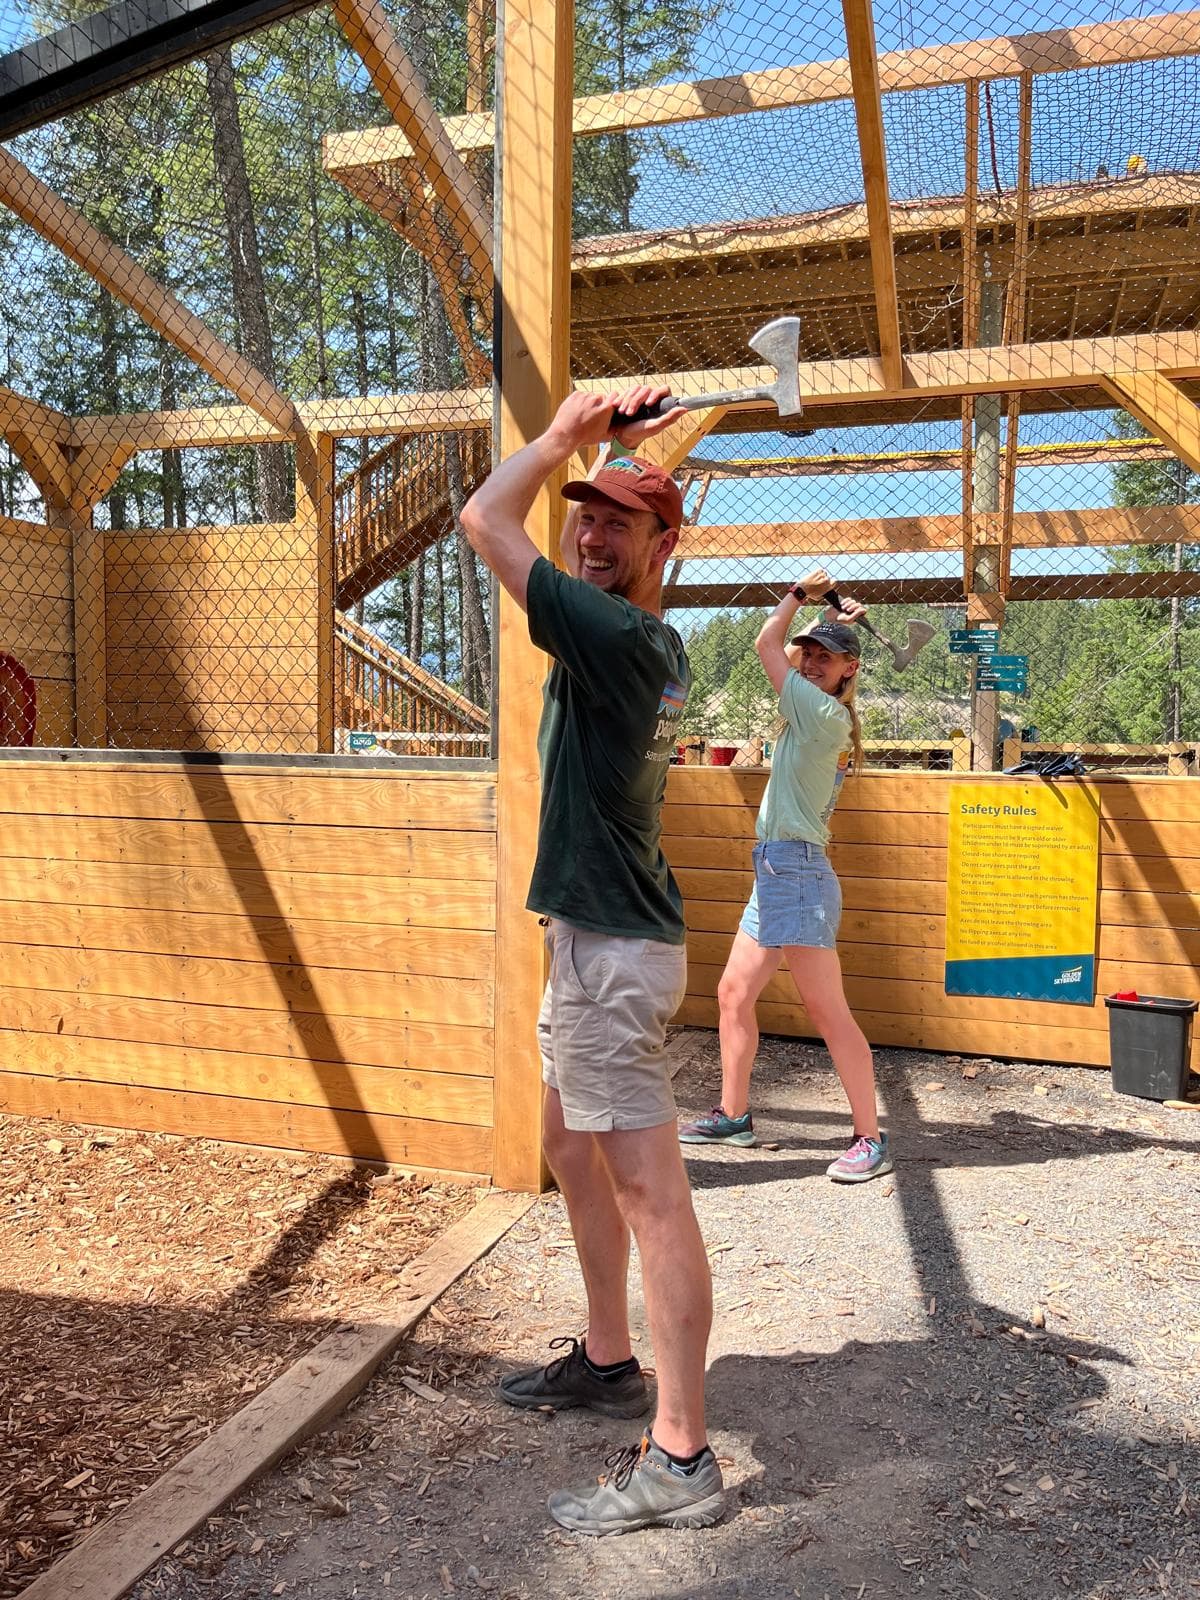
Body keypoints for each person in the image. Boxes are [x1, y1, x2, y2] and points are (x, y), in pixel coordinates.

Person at [459, 385, 725, 1535]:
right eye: (586, 514)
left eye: (621, 520)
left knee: (652, 1196)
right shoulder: (644, 642)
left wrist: (564, 436)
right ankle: (612, 1360)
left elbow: (482, 520)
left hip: (613, 956)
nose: (590, 530)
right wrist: (598, 454)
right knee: (571, 1142)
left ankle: (684, 1455)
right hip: (592, 938)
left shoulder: (617, 636)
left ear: (665, 542)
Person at [679, 572, 893, 1184]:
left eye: (827, 658)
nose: (811, 662)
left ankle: (869, 1138)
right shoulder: (818, 712)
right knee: (733, 995)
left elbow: (764, 644)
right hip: (776, 870)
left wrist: (799, 594)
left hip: (796, 872)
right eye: (810, 654)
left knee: (828, 1012)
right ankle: (734, 1115)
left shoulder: (823, 714)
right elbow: (789, 651)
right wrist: (838, 626)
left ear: (850, 671)